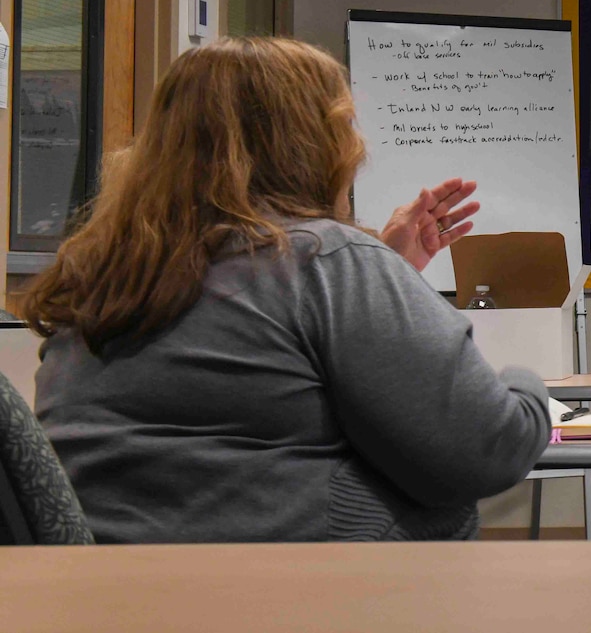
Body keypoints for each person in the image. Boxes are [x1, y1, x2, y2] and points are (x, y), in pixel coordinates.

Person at [20, 37, 551, 543]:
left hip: (98, 591)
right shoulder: (325, 260)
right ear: (316, 143)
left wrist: (383, 268)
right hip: (291, 593)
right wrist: (530, 384)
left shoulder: (100, 270)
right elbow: (484, 450)